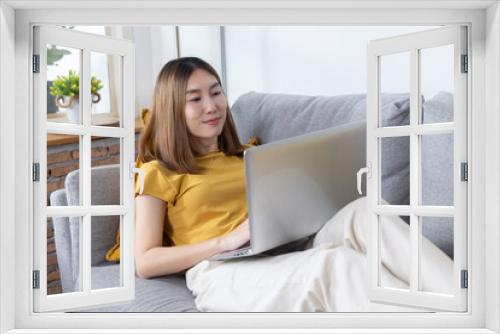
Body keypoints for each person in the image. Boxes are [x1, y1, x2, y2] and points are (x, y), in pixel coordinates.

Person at [106, 56, 453, 312]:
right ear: (172, 109)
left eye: (216, 93)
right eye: (195, 99)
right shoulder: (158, 172)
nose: (212, 107)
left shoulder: (248, 157)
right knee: (336, 264)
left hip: (284, 247)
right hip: (220, 270)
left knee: (364, 212)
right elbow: (146, 261)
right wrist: (225, 241)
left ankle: (463, 306)